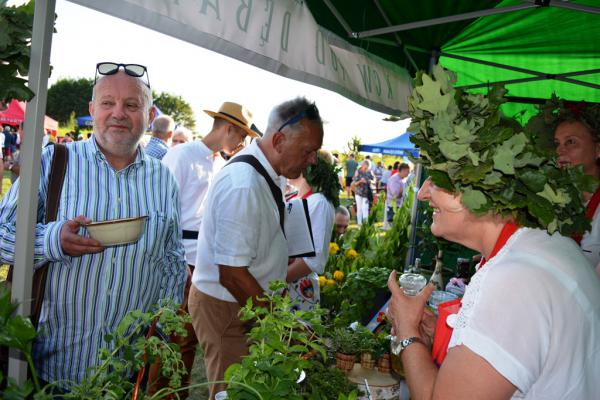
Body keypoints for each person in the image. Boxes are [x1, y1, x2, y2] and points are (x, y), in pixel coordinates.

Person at [386, 68, 599, 400]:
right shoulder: (541, 246)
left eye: (436, 180)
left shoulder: (514, 280)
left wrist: (407, 333)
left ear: (479, 186)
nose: (422, 193)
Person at [0, 63, 188, 389]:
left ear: (147, 113)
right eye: (107, 103)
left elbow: (172, 262)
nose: (119, 113)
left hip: (125, 377)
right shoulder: (53, 161)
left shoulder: (164, 180)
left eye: (131, 105)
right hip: (49, 370)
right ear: (92, 109)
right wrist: (52, 240)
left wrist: (159, 332)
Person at [188, 97, 323, 399]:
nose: (313, 159)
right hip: (228, 307)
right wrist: (281, 324)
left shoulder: (268, 174)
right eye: (308, 151)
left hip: (243, 304)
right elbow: (232, 274)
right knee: (234, 392)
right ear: (278, 140)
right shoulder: (244, 183)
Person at [158, 101, 259, 395]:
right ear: (229, 129)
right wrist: (177, 264)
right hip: (178, 260)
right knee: (172, 339)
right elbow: (164, 212)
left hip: (202, 261)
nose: (243, 143)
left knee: (188, 340)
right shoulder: (181, 155)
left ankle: (180, 393)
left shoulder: (220, 163)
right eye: (242, 136)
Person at [544, 100, 600, 268]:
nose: (560, 151)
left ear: (598, 150)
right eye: (557, 143)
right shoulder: (552, 198)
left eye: (571, 142)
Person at [286, 149, 340, 311]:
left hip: (297, 285)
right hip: (288, 284)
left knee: (295, 335)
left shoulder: (319, 202)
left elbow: (313, 259)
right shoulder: (301, 197)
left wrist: (275, 281)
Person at [352, 159, 374, 225]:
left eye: (367, 168)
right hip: (358, 193)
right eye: (365, 167)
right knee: (359, 209)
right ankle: (359, 224)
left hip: (366, 193)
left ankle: (365, 224)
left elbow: (374, 180)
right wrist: (360, 181)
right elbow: (354, 183)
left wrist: (368, 181)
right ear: (363, 165)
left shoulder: (369, 172)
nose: (365, 169)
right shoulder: (357, 171)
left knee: (365, 208)